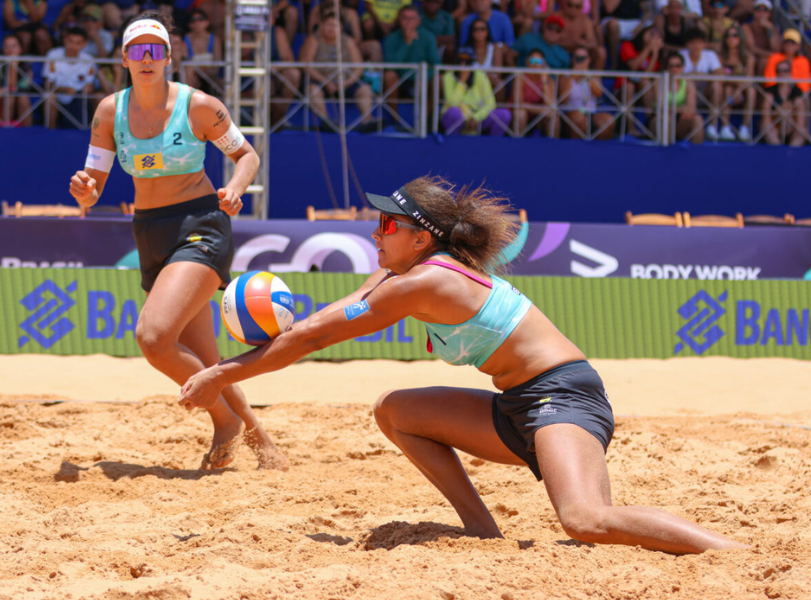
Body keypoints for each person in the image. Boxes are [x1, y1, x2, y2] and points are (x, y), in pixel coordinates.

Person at [179, 175, 749, 554]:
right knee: (396, 411)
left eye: (387, 226)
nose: (374, 232)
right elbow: (329, 315)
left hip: (564, 398)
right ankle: (481, 530)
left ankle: (733, 554)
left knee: (585, 521)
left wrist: (219, 373)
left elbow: (312, 337)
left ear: (422, 238)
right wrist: (241, 361)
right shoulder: (407, 273)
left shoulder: (425, 280)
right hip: (518, 407)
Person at [67, 11, 289, 471]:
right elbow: (96, 178)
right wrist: (86, 190)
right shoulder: (111, 111)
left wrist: (235, 187)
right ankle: (264, 445)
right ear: (124, 58)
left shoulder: (199, 106)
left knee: (153, 337)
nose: (146, 58)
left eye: (155, 50)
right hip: (149, 228)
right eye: (137, 50)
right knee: (206, 358)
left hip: (200, 224)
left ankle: (224, 421)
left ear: (168, 57)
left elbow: (246, 155)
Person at [300, 9, 379, 133]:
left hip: (346, 82)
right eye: (328, 25)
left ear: (341, 27)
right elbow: (307, 65)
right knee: (312, 90)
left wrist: (346, 83)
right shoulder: (314, 40)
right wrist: (325, 81)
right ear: (322, 26)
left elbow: (359, 67)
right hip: (322, 81)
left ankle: (367, 120)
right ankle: (326, 121)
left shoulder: (348, 41)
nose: (331, 29)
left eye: (335, 25)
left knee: (365, 89)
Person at [440, 48, 511, 135]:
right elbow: (452, 103)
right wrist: (462, 81)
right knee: (454, 113)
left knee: (504, 114)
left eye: (467, 61)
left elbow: (490, 104)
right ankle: (451, 144)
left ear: (472, 62)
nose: (463, 64)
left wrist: (475, 117)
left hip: (477, 118)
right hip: (458, 118)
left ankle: (493, 146)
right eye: (460, 60)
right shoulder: (448, 76)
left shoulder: (480, 75)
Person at [44, 26, 95, 128]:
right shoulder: (53, 55)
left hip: (79, 98)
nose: (73, 46)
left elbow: (89, 86)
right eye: (70, 41)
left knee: (99, 98)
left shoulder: (89, 59)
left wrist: (83, 90)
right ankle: (50, 133)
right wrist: (64, 89)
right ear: (64, 40)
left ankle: (95, 134)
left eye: (78, 43)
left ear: (84, 44)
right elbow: (48, 84)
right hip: (58, 96)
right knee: (49, 97)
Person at [559, 46, 615, 139]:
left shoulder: (594, 75)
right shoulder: (565, 75)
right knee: (579, 118)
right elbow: (563, 99)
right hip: (570, 112)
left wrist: (588, 77)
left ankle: (598, 150)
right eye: (577, 58)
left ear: (589, 60)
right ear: (572, 59)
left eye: (583, 58)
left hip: (591, 112)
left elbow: (598, 93)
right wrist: (571, 78)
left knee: (608, 121)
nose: (580, 60)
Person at [714, 24, 753, 141]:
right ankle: (725, 127)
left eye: (735, 35)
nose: (731, 38)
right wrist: (736, 85)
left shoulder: (748, 57)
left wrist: (738, 90)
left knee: (752, 91)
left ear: (740, 38)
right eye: (728, 36)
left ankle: (745, 127)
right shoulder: (720, 55)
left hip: (742, 90)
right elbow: (721, 76)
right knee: (727, 89)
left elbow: (749, 78)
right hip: (727, 87)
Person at [0, 33, 33, 126]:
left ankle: (28, 133)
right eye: (6, 46)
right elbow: (4, 85)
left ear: (21, 49)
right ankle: (4, 132)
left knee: (22, 98)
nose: (10, 50)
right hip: (1, 100)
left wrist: (14, 63)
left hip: (18, 99)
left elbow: (21, 87)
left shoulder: (27, 63)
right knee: (10, 98)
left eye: (14, 46)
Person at [659, 50, 704, 143]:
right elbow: (661, 107)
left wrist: (675, 110)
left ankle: (698, 154)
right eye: (671, 66)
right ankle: (665, 154)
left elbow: (691, 109)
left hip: (681, 120)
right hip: (660, 119)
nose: (674, 69)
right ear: (666, 67)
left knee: (697, 119)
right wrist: (681, 109)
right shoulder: (659, 83)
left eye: (677, 65)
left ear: (683, 67)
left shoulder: (688, 83)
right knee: (667, 118)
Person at [761, 59, 807, 146]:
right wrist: (779, 112)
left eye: (785, 71)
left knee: (802, 131)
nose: (782, 74)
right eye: (779, 71)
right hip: (775, 128)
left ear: (790, 73)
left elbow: (801, 121)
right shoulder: (770, 92)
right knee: (768, 129)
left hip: (791, 128)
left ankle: (791, 153)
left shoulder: (796, 92)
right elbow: (766, 120)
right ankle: (778, 152)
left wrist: (787, 110)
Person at [512, 48, 557, 137]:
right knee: (521, 113)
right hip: (520, 116)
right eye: (532, 61)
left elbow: (551, 106)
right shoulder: (520, 77)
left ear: (544, 64)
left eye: (539, 61)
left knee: (554, 116)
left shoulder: (549, 80)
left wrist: (544, 80)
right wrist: (540, 110)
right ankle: (517, 146)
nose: (535, 65)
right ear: (527, 62)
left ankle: (554, 147)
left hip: (539, 119)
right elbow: (518, 103)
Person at [506, 13, 571, 68]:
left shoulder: (564, 55)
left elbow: (563, 79)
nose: (553, 32)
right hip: (525, 81)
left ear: (562, 33)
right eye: (550, 27)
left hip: (550, 83)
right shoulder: (528, 38)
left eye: (558, 30)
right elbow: (509, 56)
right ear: (544, 27)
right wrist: (516, 75)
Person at [558, 0, 606, 70]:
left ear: (582, 7)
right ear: (564, 4)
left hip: (578, 50)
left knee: (599, 52)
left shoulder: (586, 21)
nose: (573, 9)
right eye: (570, 5)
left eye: (577, 6)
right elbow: (549, 38)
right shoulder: (556, 17)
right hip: (558, 49)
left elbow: (592, 42)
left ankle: (597, 78)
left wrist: (581, 43)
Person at [742, 0, 778, 74]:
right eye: (758, 9)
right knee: (759, 60)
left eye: (765, 10)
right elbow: (751, 48)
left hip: (765, 58)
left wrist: (770, 29)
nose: (761, 13)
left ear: (769, 14)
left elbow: (776, 48)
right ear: (754, 12)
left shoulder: (772, 27)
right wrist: (771, 54)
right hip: (749, 57)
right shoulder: (746, 27)